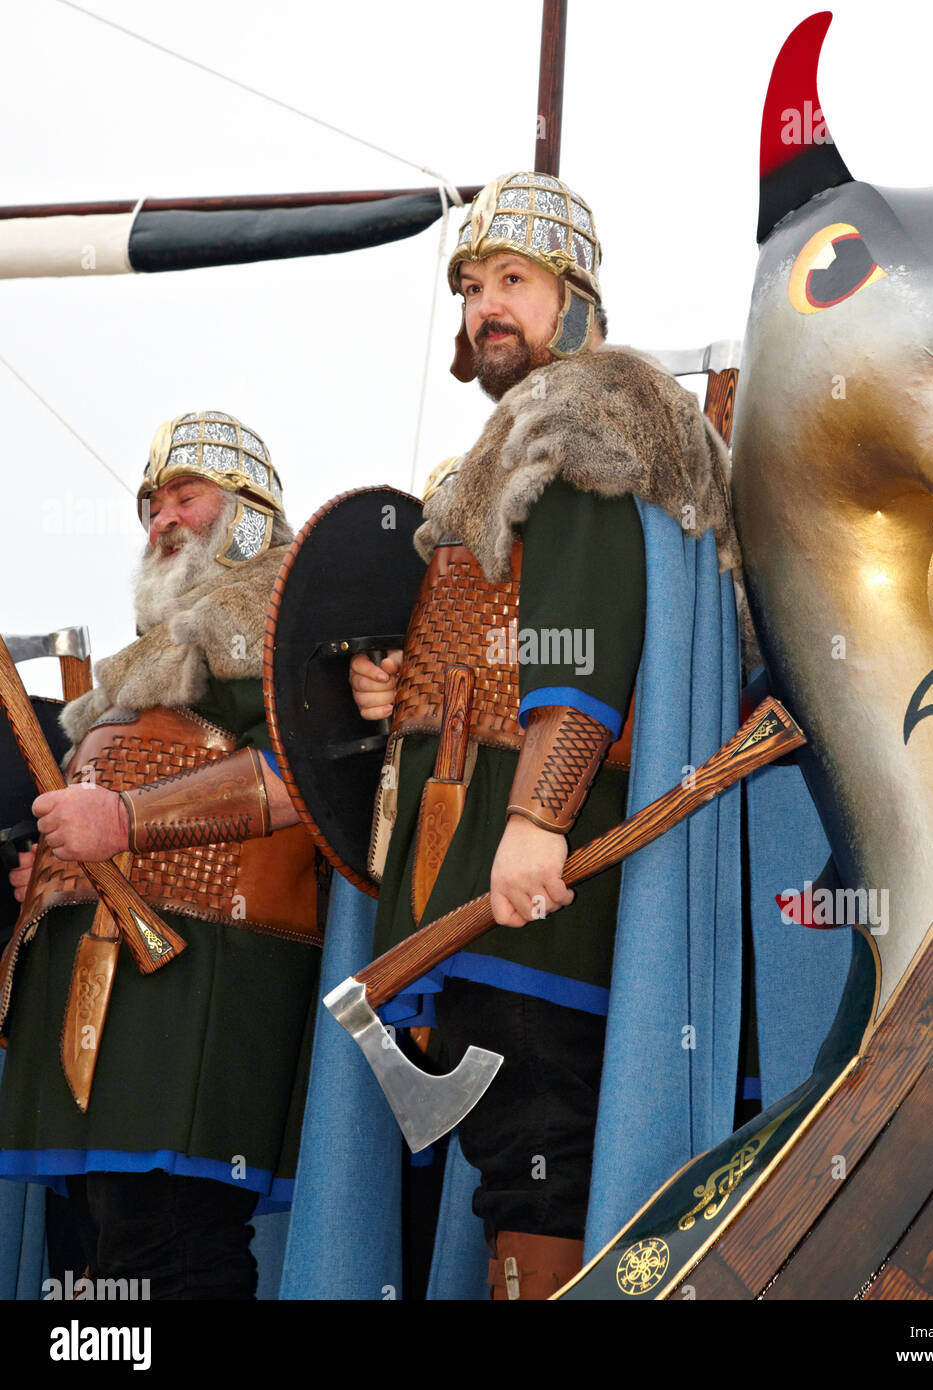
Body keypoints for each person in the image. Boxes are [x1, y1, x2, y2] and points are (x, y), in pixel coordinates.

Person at [347, 172, 736, 1299]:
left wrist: (534, 821)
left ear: (574, 297)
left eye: (511, 281)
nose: (483, 309)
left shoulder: (577, 425)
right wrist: (404, 683)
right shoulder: (525, 446)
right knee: (520, 1165)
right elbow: (513, 629)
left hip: (526, 883)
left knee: (537, 1165)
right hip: (483, 870)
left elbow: (583, 633)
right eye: (470, 288)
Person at [0, 412, 319, 1299]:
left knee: (171, 1239)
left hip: (209, 976)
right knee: (106, 1246)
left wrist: (124, 821)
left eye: (186, 495)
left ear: (250, 510)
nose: (163, 519)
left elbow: (306, 778)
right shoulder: (136, 665)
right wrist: (56, 876)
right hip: (109, 989)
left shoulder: (278, 623)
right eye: (151, 505)